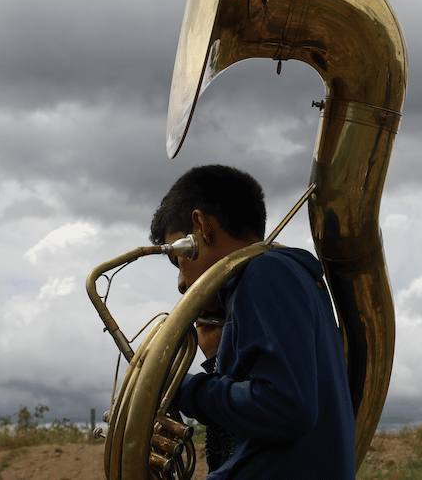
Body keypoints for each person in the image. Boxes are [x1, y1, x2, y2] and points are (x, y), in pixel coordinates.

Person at [149, 164, 355, 479]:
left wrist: (179, 386)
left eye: (178, 259)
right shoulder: (274, 278)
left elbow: (285, 408)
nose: (180, 283)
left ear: (201, 226)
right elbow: (256, 427)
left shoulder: (266, 272)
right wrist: (219, 358)